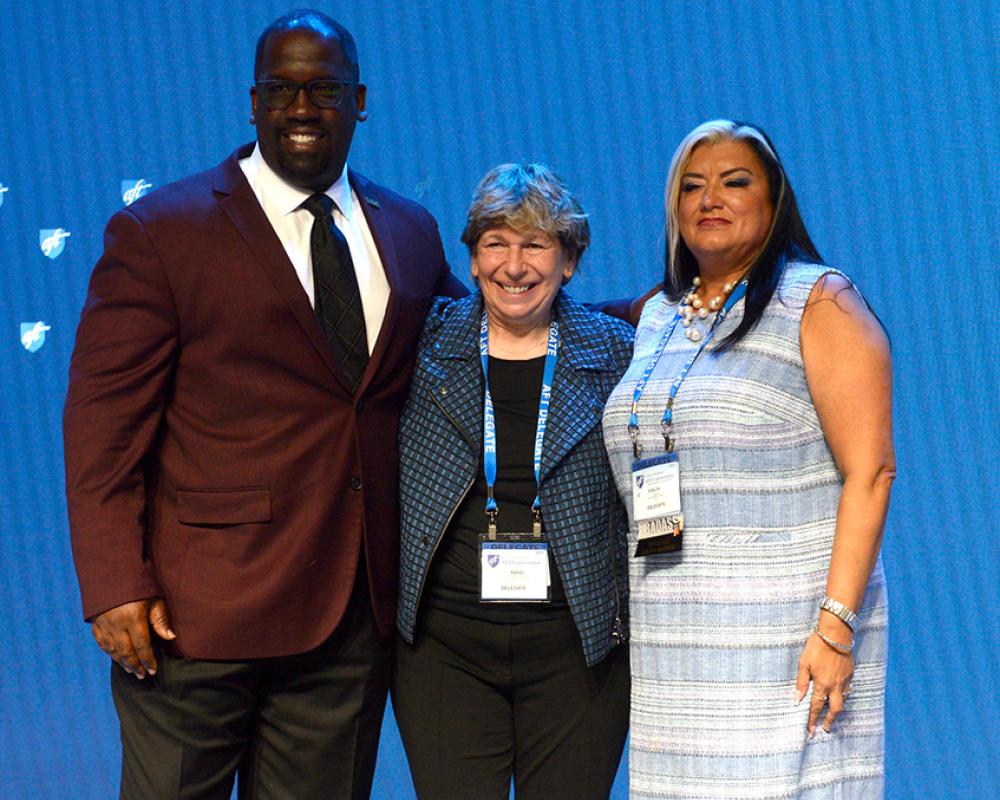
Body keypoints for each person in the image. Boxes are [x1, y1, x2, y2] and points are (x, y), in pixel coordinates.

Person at [62, 10, 466, 798]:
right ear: (253, 103)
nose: (303, 109)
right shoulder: (162, 231)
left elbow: (489, 331)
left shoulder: (408, 232)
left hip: (349, 618)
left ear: (361, 100)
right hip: (195, 617)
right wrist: (114, 583)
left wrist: (661, 312)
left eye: (324, 89)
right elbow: (102, 427)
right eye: (281, 90)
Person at [603, 120, 893, 798]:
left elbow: (871, 471)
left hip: (787, 643)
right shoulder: (658, 317)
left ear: (774, 201)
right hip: (675, 651)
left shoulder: (819, 300)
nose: (712, 198)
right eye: (693, 186)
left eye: (735, 182)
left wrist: (836, 627)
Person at [393, 163, 633, 799]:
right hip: (445, 651)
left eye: (536, 244)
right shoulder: (423, 345)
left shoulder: (617, 356)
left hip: (576, 652)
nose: (515, 265)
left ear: (569, 261)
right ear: (472, 259)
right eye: (497, 243)